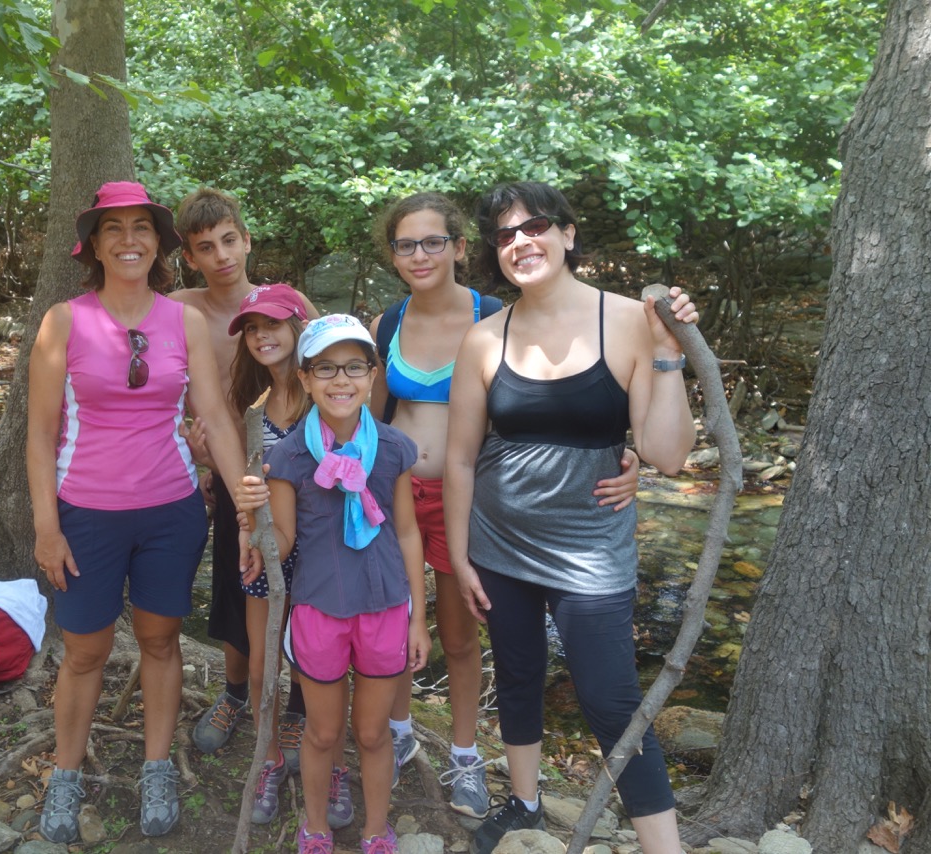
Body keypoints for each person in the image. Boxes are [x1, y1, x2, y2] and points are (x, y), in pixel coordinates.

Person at [442, 181, 698, 854]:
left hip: (591, 551)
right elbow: (462, 459)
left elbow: (667, 454)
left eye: (535, 227)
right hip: (498, 547)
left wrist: (671, 353)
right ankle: (524, 806)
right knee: (519, 672)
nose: (521, 242)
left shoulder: (633, 321)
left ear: (568, 234)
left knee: (612, 699)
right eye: (504, 235)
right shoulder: (483, 339)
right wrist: (462, 554)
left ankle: (661, 846)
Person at [368, 192, 642, 817]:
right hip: (398, 495)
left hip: (475, 498)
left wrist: (628, 458)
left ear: (462, 248)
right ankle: (400, 731)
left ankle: (465, 756)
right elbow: (373, 412)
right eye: (406, 245)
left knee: (462, 635)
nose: (420, 255)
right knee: (392, 618)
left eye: (433, 241)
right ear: (393, 256)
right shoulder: (389, 322)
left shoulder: (496, 314)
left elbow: (563, 401)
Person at [27, 181, 255, 844]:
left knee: (159, 641)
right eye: (113, 229)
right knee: (85, 652)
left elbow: (212, 413)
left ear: (159, 244)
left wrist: (243, 501)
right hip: (86, 515)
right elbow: (40, 435)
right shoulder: (63, 322)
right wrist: (46, 526)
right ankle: (65, 773)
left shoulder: (181, 320)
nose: (129, 240)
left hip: (172, 512)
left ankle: (158, 766)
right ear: (93, 245)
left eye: (141, 228)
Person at [239, 314, 432, 854]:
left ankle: (375, 830)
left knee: (372, 733)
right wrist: (250, 522)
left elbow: (408, 533)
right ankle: (315, 826)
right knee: (323, 733)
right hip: (318, 610)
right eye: (325, 367)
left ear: (373, 375)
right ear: (304, 378)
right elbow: (280, 540)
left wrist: (419, 617)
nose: (340, 379)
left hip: (386, 606)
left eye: (353, 366)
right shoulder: (289, 456)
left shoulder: (393, 449)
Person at [168, 188, 317, 761]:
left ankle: (302, 707)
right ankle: (236, 694)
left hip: (299, 472)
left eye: (230, 240)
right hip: (234, 477)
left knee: (307, 588)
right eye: (207, 247)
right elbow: (170, 389)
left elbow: (328, 374)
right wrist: (195, 446)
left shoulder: (285, 302)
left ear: (247, 239)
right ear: (190, 255)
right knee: (236, 587)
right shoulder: (181, 307)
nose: (222, 255)